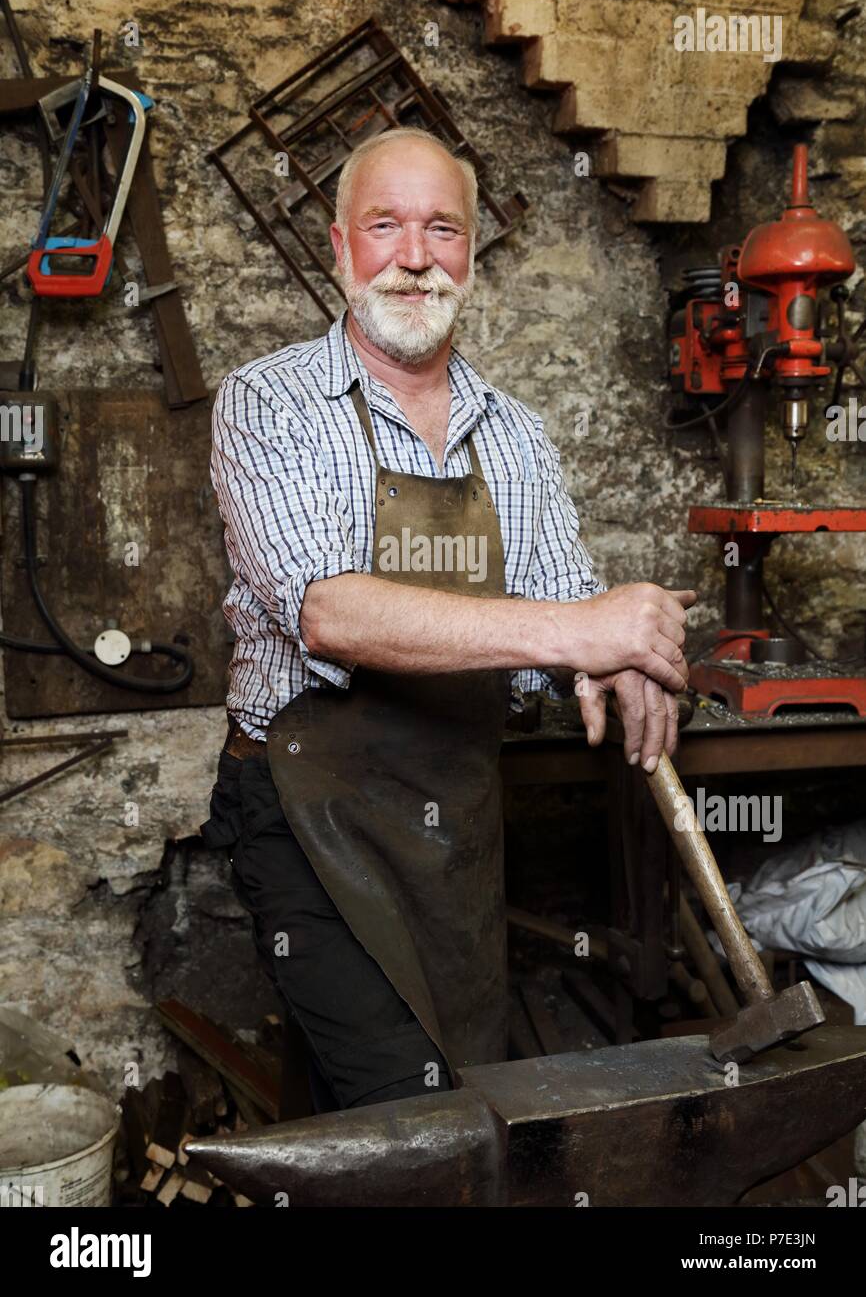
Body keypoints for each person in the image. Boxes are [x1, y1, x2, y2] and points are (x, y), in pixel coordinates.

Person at [201, 127, 696, 1114]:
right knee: (410, 1104)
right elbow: (327, 610)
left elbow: (570, 610)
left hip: (453, 812)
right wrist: (572, 633)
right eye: (384, 227)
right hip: (305, 809)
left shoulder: (515, 433)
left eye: (442, 229)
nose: (415, 256)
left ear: (470, 254)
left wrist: (620, 661)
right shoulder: (270, 402)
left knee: (461, 1081)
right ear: (340, 249)